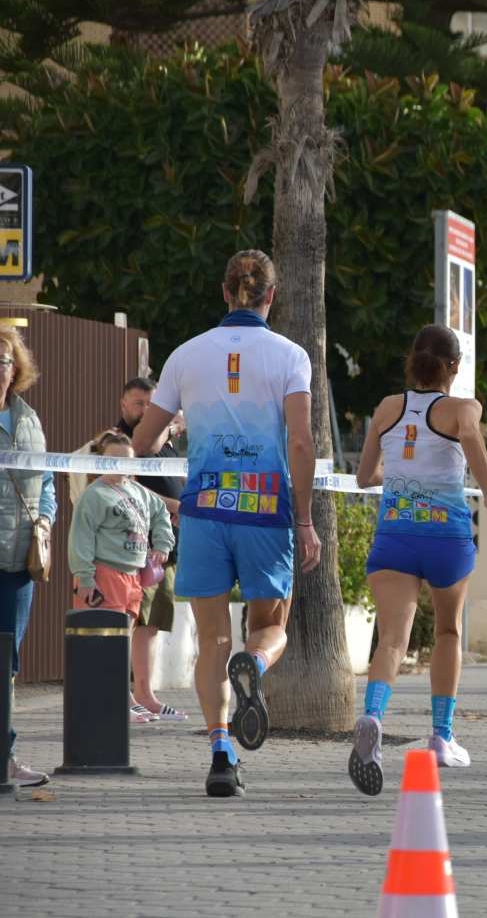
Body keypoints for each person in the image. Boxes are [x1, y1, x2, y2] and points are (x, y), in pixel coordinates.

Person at [134, 250, 322, 799]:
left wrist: (179, 427)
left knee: (211, 638)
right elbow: (301, 441)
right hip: (265, 510)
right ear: (272, 296)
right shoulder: (291, 356)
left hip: (205, 511)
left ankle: (221, 753)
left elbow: (143, 442)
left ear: (224, 292)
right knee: (271, 626)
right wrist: (305, 520)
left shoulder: (186, 355)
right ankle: (255, 664)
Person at [348, 324, 487, 796]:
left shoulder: (386, 408)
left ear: (411, 361)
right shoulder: (464, 408)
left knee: (392, 640)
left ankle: (373, 716)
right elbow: (471, 439)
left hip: (395, 534)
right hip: (446, 536)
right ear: (454, 366)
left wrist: (399, 472)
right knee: (447, 631)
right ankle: (441, 737)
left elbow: (363, 477)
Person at [71, 379, 190, 722]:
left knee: (148, 624)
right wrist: (85, 576)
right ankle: (117, 697)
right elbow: (86, 530)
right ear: (123, 404)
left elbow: (156, 503)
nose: (144, 410)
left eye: (150, 404)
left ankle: (143, 695)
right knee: (116, 632)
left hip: (151, 559)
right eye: (138, 403)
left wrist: (164, 539)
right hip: (114, 564)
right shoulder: (115, 448)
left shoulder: (162, 443)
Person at [0, 324, 57, 788]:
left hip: (19, 562)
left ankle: (5, 756)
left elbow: (48, 481)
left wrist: (46, 520)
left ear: (15, 369)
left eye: (2, 362)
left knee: (8, 664)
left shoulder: (28, 419)